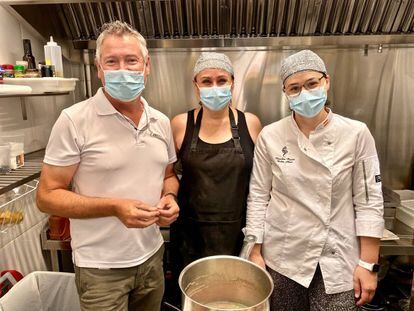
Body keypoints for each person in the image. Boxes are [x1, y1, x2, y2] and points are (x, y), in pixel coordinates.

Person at [36, 21, 179, 311]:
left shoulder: (161, 121)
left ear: (147, 65)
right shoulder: (74, 120)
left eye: (131, 60)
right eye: (112, 62)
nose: (123, 70)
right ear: (99, 68)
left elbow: (168, 174)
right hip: (100, 269)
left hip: (152, 257)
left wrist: (170, 197)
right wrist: (114, 207)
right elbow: (47, 196)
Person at [246, 50, 384, 311]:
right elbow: (258, 197)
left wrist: (368, 264)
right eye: (295, 88)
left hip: (337, 255)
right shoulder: (271, 136)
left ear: (326, 82)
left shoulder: (355, 133)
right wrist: (254, 251)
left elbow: (369, 200)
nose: (305, 93)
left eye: (312, 84)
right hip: (283, 257)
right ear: (286, 93)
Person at [170, 51, 262, 276]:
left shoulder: (250, 123)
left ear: (232, 84)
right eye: (207, 81)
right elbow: (168, 174)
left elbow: (261, 184)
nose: (215, 87)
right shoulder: (181, 124)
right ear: (196, 85)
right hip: (190, 237)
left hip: (238, 234)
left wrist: (257, 244)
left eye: (221, 80)